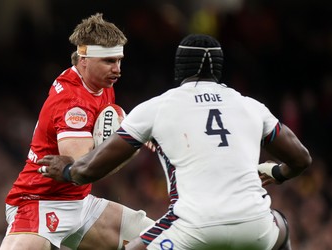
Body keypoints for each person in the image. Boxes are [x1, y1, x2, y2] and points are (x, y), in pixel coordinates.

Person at [38, 33, 312, 250]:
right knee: (282, 227)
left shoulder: (157, 107)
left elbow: (89, 169)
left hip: (192, 230)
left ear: (179, 66)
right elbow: (301, 159)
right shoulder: (251, 106)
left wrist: (65, 170)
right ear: (218, 69)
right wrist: (277, 172)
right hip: (256, 229)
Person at [0, 13, 154, 250]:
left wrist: (135, 129)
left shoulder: (95, 81)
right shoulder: (74, 104)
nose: (117, 69)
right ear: (84, 60)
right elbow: (83, 168)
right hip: (40, 203)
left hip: (79, 204)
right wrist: (131, 140)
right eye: (109, 61)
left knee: (162, 240)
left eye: (119, 60)